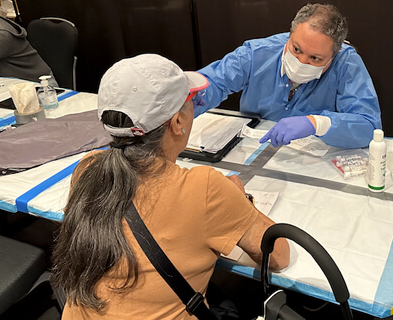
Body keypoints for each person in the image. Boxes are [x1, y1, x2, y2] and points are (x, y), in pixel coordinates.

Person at [51, 54, 290, 319]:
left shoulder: (88, 167)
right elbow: (278, 255)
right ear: (177, 123)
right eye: (191, 103)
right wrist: (241, 200)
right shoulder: (206, 188)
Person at [195, 3, 381, 149]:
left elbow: (369, 127)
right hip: (251, 150)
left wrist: (317, 123)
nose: (301, 61)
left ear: (335, 52)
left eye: (315, 58)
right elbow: (213, 83)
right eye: (296, 49)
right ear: (290, 34)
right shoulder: (257, 53)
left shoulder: (346, 62)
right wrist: (188, 99)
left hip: (308, 160)